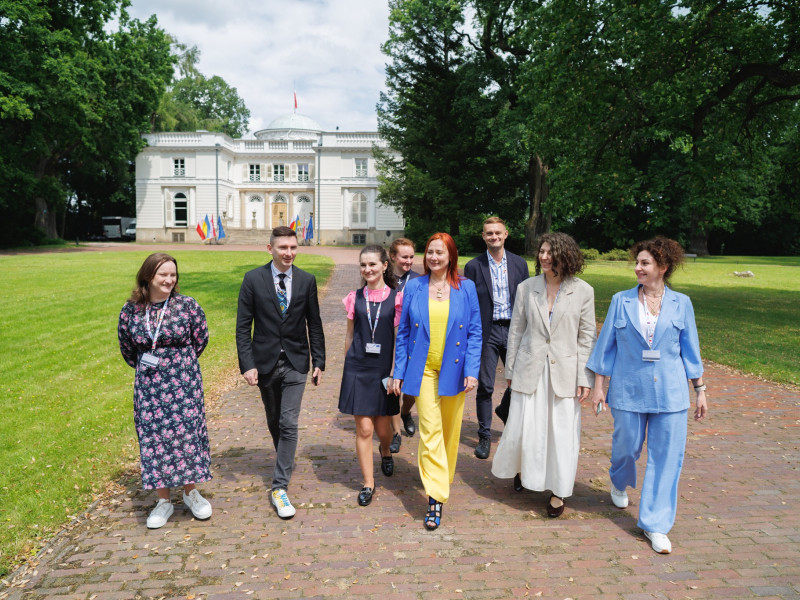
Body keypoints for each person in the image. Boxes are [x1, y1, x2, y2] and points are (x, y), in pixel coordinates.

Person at [587, 236, 707, 554]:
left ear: (663, 267)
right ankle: (619, 480)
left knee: (667, 458)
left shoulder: (682, 303)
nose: (638, 268)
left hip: (671, 393)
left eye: (645, 263)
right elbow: (606, 346)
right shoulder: (621, 301)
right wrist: (599, 386)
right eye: (637, 262)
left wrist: (700, 390)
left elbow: (691, 350)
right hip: (628, 390)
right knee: (626, 447)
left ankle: (655, 524)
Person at [491, 233, 596, 516]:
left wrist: (584, 378)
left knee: (561, 433)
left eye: (551, 252)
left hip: (565, 373)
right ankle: (522, 471)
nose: (544, 256)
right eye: (542, 251)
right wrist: (510, 369)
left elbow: (587, 337)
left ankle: (559, 491)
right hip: (529, 369)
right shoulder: (527, 287)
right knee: (525, 427)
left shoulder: (583, 291)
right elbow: (516, 331)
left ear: (566, 255)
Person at [391, 233, 482, 530]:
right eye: (430, 252)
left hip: (454, 371)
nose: (433, 257)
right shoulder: (415, 286)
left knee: (450, 433)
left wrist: (472, 370)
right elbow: (404, 332)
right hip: (424, 370)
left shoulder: (466, 287)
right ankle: (435, 498)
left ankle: (440, 479)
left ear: (451, 255)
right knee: (430, 432)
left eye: (440, 252)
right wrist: (399, 371)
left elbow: (475, 332)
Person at [236, 226, 326, 519]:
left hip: (296, 362)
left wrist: (319, 360)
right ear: (270, 248)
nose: (289, 253)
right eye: (283, 248)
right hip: (265, 362)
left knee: (289, 422)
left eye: (293, 247)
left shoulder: (307, 280)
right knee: (274, 420)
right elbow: (243, 326)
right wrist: (247, 364)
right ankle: (284, 458)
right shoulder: (253, 279)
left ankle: (279, 487)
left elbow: (314, 323)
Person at [118, 253, 213, 529]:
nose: (169, 280)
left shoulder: (187, 305)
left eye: (173, 275)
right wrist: (150, 366)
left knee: (186, 434)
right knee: (155, 437)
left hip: (184, 382)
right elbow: (127, 347)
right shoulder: (131, 310)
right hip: (149, 387)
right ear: (148, 276)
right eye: (163, 275)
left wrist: (179, 363)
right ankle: (163, 501)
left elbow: (201, 339)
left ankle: (190, 493)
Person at [339, 245, 403, 506]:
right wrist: (347, 367)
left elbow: (399, 339)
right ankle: (368, 483)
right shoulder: (354, 298)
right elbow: (349, 335)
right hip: (358, 368)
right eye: (363, 265)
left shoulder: (397, 299)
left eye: (372, 264)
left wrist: (396, 372)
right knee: (364, 428)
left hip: (384, 370)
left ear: (385, 265)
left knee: (382, 429)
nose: (367, 269)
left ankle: (385, 450)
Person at [464, 216, 529, 459]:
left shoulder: (519, 264)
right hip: (487, 330)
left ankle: (505, 409)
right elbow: (469, 303)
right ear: (484, 236)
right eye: (489, 233)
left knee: (519, 381)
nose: (494, 236)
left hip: (514, 329)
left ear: (505, 234)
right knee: (486, 385)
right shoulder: (473, 266)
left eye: (497, 232)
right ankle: (484, 435)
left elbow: (527, 299)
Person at [388, 237, 421, 453]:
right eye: (404, 257)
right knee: (391, 384)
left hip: (411, 337)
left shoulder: (419, 280)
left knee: (411, 386)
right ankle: (396, 433)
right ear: (392, 257)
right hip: (386, 337)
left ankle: (406, 412)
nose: (408, 261)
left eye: (411, 257)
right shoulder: (382, 278)